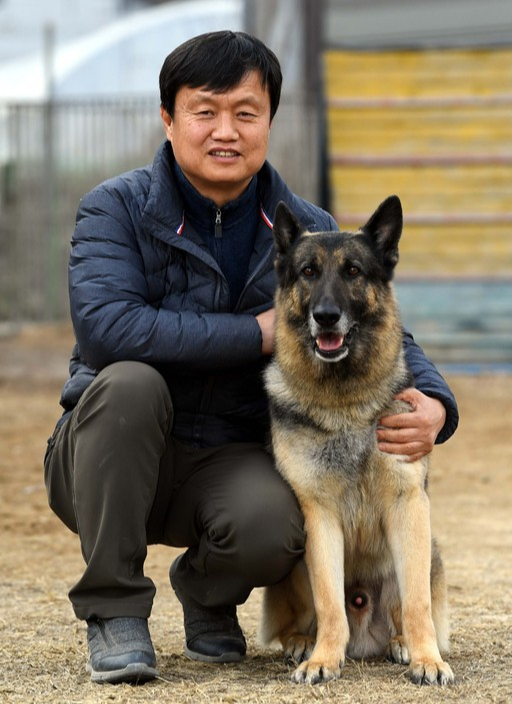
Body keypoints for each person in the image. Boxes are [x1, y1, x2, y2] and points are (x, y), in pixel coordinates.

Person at [44, 30, 459, 685]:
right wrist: (260, 333)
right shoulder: (114, 209)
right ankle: (116, 611)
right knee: (127, 385)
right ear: (169, 118)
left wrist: (437, 404)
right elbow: (105, 329)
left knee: (278, 526)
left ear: (268, 120)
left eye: (246, 112)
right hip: (108, 460)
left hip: (230, 457)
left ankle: (208, 596)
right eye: (205, 111)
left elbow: (376, 324)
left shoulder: (304, 223)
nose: (226, 130)